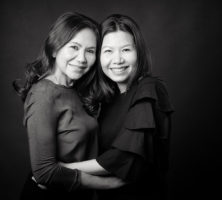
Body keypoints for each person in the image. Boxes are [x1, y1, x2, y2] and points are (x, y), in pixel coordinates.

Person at [13, 12, 125, 200]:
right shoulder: (43, 94)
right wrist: (111, 184)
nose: (82, 58)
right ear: (55, 49)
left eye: (90, 51)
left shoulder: (75, 88)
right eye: (74, 47)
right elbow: (44, 172)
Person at [60, 14, 174, 200]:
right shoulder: (107, 98)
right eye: (108, 51)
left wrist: (61, 171)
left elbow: (123, 158)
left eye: (126, 50)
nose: (117, 59)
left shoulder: (150, 88)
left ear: (140, 52)